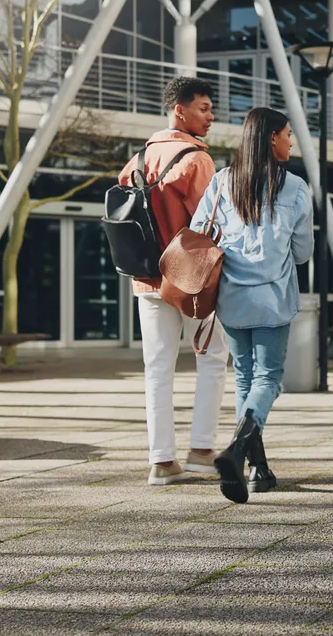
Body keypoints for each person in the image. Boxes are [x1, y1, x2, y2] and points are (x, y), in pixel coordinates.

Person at [191, 107, 313, 504]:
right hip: (272, 298)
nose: (290, 141)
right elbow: (302, 253)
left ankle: (258, 470)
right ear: (271, 138)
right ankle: (237, 449)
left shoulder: (224, 181)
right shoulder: (294, 187)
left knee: (244, 378)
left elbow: (197, 232)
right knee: (268, 379)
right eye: (287, 134)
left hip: (231, 298)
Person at [118, 76, 229, 486]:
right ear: (178, 110)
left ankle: (161, 461)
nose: (211, 116)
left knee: (157, 367)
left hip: (146, 277)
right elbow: (211, 223)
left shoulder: (136, 159)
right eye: (203, 108)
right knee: (213, 356)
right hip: (190, 278)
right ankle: (201, 449)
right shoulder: (197, 160)